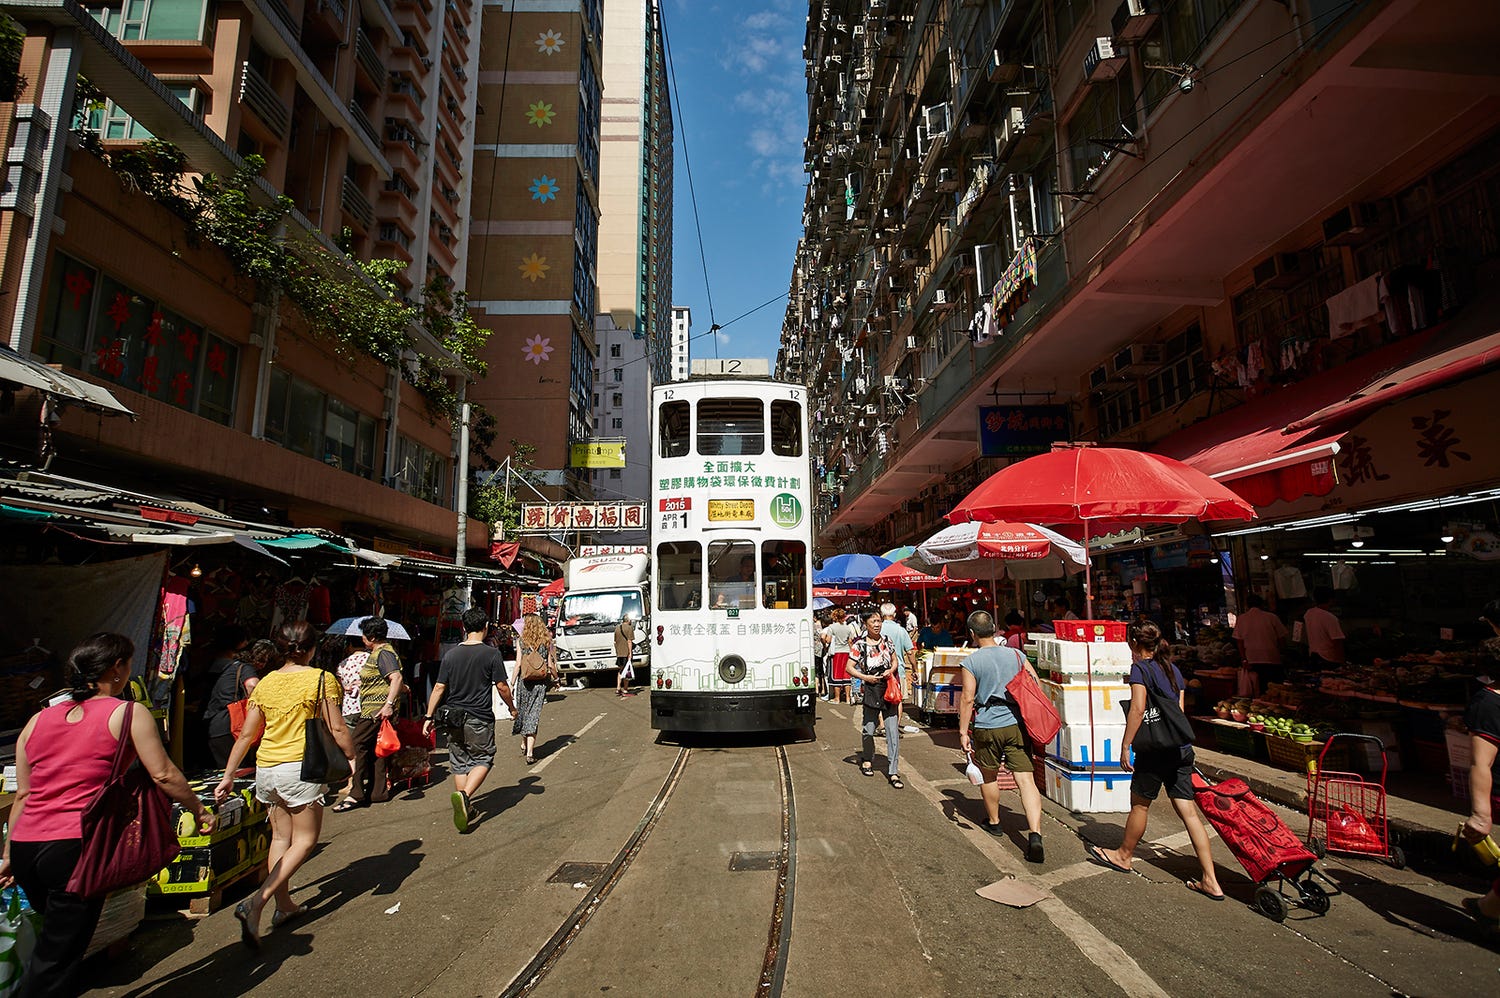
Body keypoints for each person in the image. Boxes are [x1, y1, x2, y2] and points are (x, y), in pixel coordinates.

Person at [0, 634, 214, 995]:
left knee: (56, 944)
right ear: (117, 669)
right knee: (55, 961)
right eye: (128, 664)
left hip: (25, 847)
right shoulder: (128, 712)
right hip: (74, 848)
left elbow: (24, 792)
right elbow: (162, 773)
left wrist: (7, 854)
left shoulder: (38, 720)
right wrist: (198, 808)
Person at [215, 620, 353, 948]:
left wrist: (229, 774)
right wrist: (351, 759)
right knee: (305, 840)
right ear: (312, 648)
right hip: (300, 770)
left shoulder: (265, 683)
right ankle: (256, 902)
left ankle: (284, 906)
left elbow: (247, 734)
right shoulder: (321, 679)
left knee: (280, 837)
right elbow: (337, 728)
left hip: (267, 768)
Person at [1087, 622, 1224, 901]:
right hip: (1180, 748)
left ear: (1134, 644)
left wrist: (1126, 745)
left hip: (1155, 751)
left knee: (1140, 804)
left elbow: (1137, 708)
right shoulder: (1172, 669)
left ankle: (1123, 855)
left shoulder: (1141, 669)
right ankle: (1210, 879)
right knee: (1188, 812)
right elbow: (1179, 711)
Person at [956, 611, 1045, 862]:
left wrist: (963, 732)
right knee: (1026, 780)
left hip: (987, 724)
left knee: (989, 774)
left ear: (972, 634)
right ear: (995, 629)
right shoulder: (1016, 654)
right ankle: (1035, 834)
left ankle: (994, 821)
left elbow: (967, 698)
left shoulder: (971, 662)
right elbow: (1035, 683)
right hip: (1016, 722)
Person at [424, 608, 516, 832]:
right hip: (478, 717)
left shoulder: (451, 655)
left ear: (464, 628)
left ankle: (465, 807)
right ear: (485, 627)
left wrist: (428, 716)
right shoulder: (491, 654)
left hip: (453, 717)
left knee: (460, 762)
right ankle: (464, 797)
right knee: (484, 757)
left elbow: (438, 687)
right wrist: (512, 708)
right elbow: (502, 686)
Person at [1459, 601, 1500, 935]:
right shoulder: (1488, 704)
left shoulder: (1487, 702)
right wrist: (1482, 814)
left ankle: (1490, 907)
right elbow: (1480, 762)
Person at [340, 617, 404, 811]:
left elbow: (396, 677)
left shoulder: (383, 653)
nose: (362, 638)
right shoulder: (380, 653)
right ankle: (377, 792)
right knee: (377, 750)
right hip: (376, 707)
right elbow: (385, 678)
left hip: (375, 710)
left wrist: (388, 705)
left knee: (357, 744)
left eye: (364, 635)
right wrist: (361, 684)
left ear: (372, 637)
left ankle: (356, 792)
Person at [846, 610, 904, 789]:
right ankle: (867, 758)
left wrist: (891, 670)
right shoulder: (860, 644)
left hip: (888, 687)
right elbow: (849, 668)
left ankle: (893, 771)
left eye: (879, 621)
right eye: (873, 621)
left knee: (892, 732)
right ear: (865, 624)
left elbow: (895, 661)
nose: (877, 624)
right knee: (868, 730)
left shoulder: (887, 640)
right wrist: (865, 678)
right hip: (871, 687)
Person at [204, 638, 276, 767]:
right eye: (261, 660)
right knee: (237, 772)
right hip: (230, 725)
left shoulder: (230, 667)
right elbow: (252, 686)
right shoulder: (246, 668)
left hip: (216, 725)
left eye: (266, 661)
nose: (263, 665)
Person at [510, 613, 555, 766]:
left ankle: (526, 746)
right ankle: (530, 752)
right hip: (540, 684)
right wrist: (556, 678)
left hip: (524, 682)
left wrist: (511, 683)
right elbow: (550, 664)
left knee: (523, 713)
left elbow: (517, 664)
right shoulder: (546, 641)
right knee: (533, 716)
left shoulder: (521, 641)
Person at [1234, 593, 1288, 693]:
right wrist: (1282, 653)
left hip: (1252, 660)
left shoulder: (1241, 619)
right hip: (1272, 659)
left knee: (1258, 691)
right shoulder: (1272, 617)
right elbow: (1281, 639)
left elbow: (1239, 642)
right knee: (1274, 691)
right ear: (1262, 604)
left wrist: (1244, 660)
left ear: (1247, 605)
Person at [879, 603, 915, 736]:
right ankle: (895, 726)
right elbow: (910, 652)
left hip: (879, 671)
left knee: (881, 698)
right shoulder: (901, 630)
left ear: (881, 615)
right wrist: (914, 668)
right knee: (897, 699)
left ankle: (882, 725)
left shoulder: (877, 629)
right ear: (894, 615)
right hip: (898, 670)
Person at [1304, 587, 1345, 666]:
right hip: (1328, 659)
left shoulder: (1308, 614)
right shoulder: (1330, 617)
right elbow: (1337, 641)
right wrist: (1341, 662)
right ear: (1331, 600)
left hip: (1313, 656)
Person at [824, 608, 855, 704]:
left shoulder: (832, 627)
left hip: (836, 653)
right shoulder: (847, 628)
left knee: (836, 675)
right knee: (846, 675)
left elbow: (828, 640)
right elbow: (850, 641)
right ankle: (848, 698)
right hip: (847, 652)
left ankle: (837, 698)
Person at [614, 613, 637, 697]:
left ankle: (618, 688)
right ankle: (625, 689)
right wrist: (630, 653)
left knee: (620, 670)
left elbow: (615, 642)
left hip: (619, 653)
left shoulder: (617, 628)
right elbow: (629, 641)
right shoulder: (629, 628)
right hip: (626, 653)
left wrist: (617, 651)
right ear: (628, 620)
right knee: (627, 671)